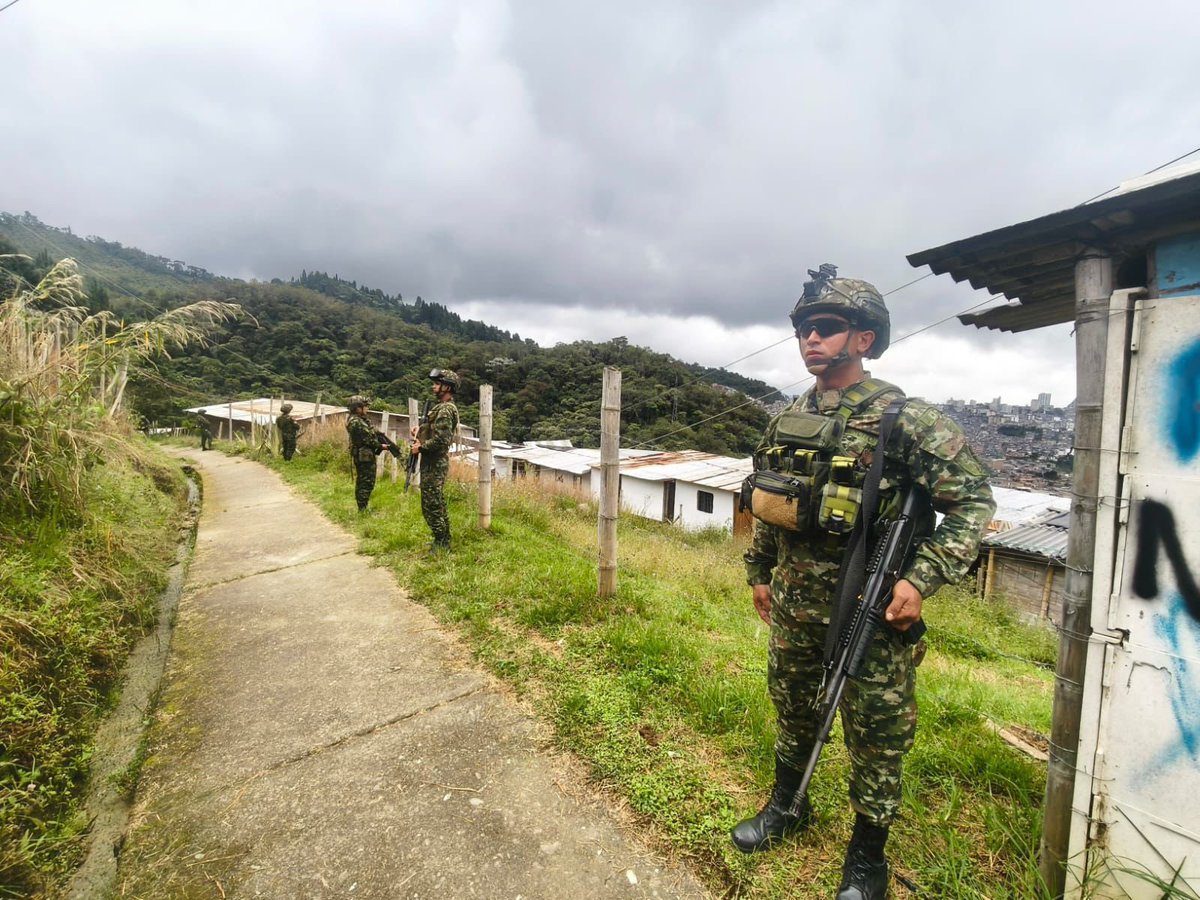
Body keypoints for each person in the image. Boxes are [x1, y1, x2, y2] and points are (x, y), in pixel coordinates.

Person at [733, 266, 995, 900]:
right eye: (804, 330)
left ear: (866, 340)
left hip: (872, 605)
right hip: (795, 601)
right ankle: (786, 807)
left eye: (827, 328)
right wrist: (760, 575)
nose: (811, 340)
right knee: (794, 706)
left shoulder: (903, 420)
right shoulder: (788, 417)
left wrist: (921, 579)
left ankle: (867, 855)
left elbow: (974, 501)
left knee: (875, 730)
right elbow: (770, 502)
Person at [410, 368, 460, 551]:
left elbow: (442, 440)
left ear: (447, 387)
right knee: (436, 502)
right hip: (432, 463)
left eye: (437, 384)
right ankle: (443, 538)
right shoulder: (442, 408)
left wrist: (420, 447)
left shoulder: (446, 410)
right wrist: (420, 432)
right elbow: (435, 432)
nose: (434, 387)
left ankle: (442, 542)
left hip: (435, 463)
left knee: (431, 505)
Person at [346, 395, 380, 512]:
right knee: (365, 482)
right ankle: (362, 508)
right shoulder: (356, 422)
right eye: (365, 406)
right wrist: (380, 446)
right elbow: (368, 439)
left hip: (364, 454)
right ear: (358, 408)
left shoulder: (359, 420)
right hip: (363, 456)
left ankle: (363, 507)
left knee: (364, 481)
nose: (367, 409)